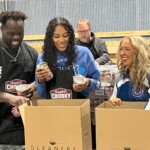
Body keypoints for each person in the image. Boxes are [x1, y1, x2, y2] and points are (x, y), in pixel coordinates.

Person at [35, 17, 100, 149]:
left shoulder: (84, 53)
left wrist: (87, 83)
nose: (61, 40)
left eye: (65, 35)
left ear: (71, 35)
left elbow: (98, 84)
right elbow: (42, 94)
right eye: (56, 36)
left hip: (80, 114)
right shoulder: (43, 58)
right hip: (53, 116)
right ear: (50, 37)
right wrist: (41, 80)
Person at [0, 11, 38, 145]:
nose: (16, 37)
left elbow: (39, 82)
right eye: (11, 34)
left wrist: (31, 87)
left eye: (20, 33)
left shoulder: (31, 53)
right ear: (1, 29)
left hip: (24, 123)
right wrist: (9, 97)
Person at [109, 35, 150, 107]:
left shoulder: (148, 77)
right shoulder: (120, 79)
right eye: (121, 49)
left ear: (139, 52)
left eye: (127, 49)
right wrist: (113, 101)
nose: (122, 53)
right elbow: (112, 101)